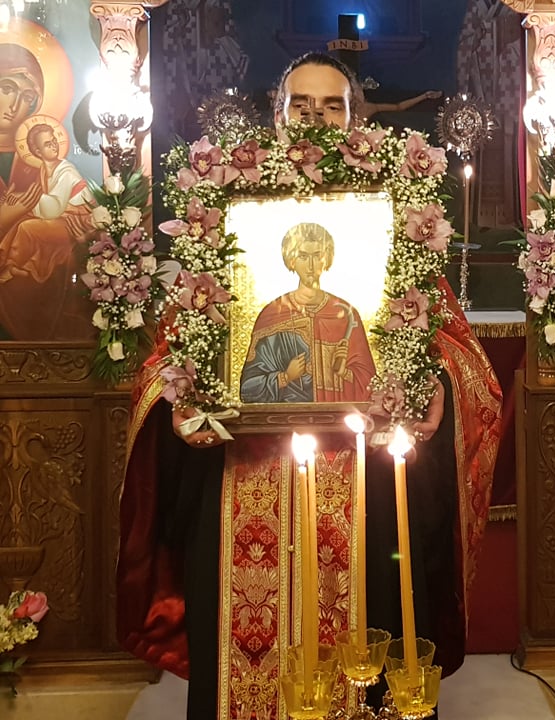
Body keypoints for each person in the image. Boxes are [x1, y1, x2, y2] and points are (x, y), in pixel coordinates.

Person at [117, 51, 501, 720]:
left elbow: (454, 350)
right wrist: (185, 398)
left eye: (332, 106)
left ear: (355, 118)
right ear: (277, 114)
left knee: (368, 622)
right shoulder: (229, 219)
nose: (316, 119)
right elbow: (171, 359)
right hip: (245, 477)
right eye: (301, 104)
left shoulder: (393, 220)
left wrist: (431, 381)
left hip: (361, 481)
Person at [239, 222, 375, 403]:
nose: (310, 265)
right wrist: (286, 377)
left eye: (317, 256)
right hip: (285, 417)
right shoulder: (273, 314)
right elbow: (248, 390)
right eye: (302, 256)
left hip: (338, 417)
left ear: (327, 259)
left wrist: (344, 373)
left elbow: (370, 387)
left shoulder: (346, 315)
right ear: (291, 260)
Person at [0, 120, 94, 284]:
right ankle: (10, 264)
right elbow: (40, 198)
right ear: (37, 151)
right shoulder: (44, 170)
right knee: (19, 220)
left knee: (26, 227)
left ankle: (13, 264)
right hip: (61, 217)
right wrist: (18, 200)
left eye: (54, 140)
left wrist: (23, 198)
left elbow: (53, 208)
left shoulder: (66, 171)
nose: (54, 146)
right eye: (47, 144)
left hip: (75, 222)